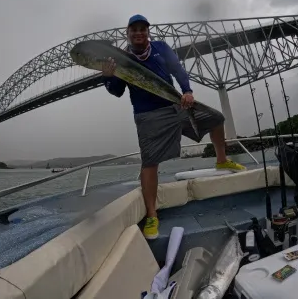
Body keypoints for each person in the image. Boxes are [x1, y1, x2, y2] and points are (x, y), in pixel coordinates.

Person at [101, 14, 246, 240]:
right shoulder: (119, 58)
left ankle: (221, 160)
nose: (139, 33)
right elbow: (117, 91)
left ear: (148, 32)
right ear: (127, 33)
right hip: (149, 116)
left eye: (143, 29)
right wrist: (108, 77)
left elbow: (178, 70)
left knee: (216, 118)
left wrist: (186, 90)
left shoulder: (160, 47)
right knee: (150, 162)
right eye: (134, 29)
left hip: (176, 104)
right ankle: (151, 215)